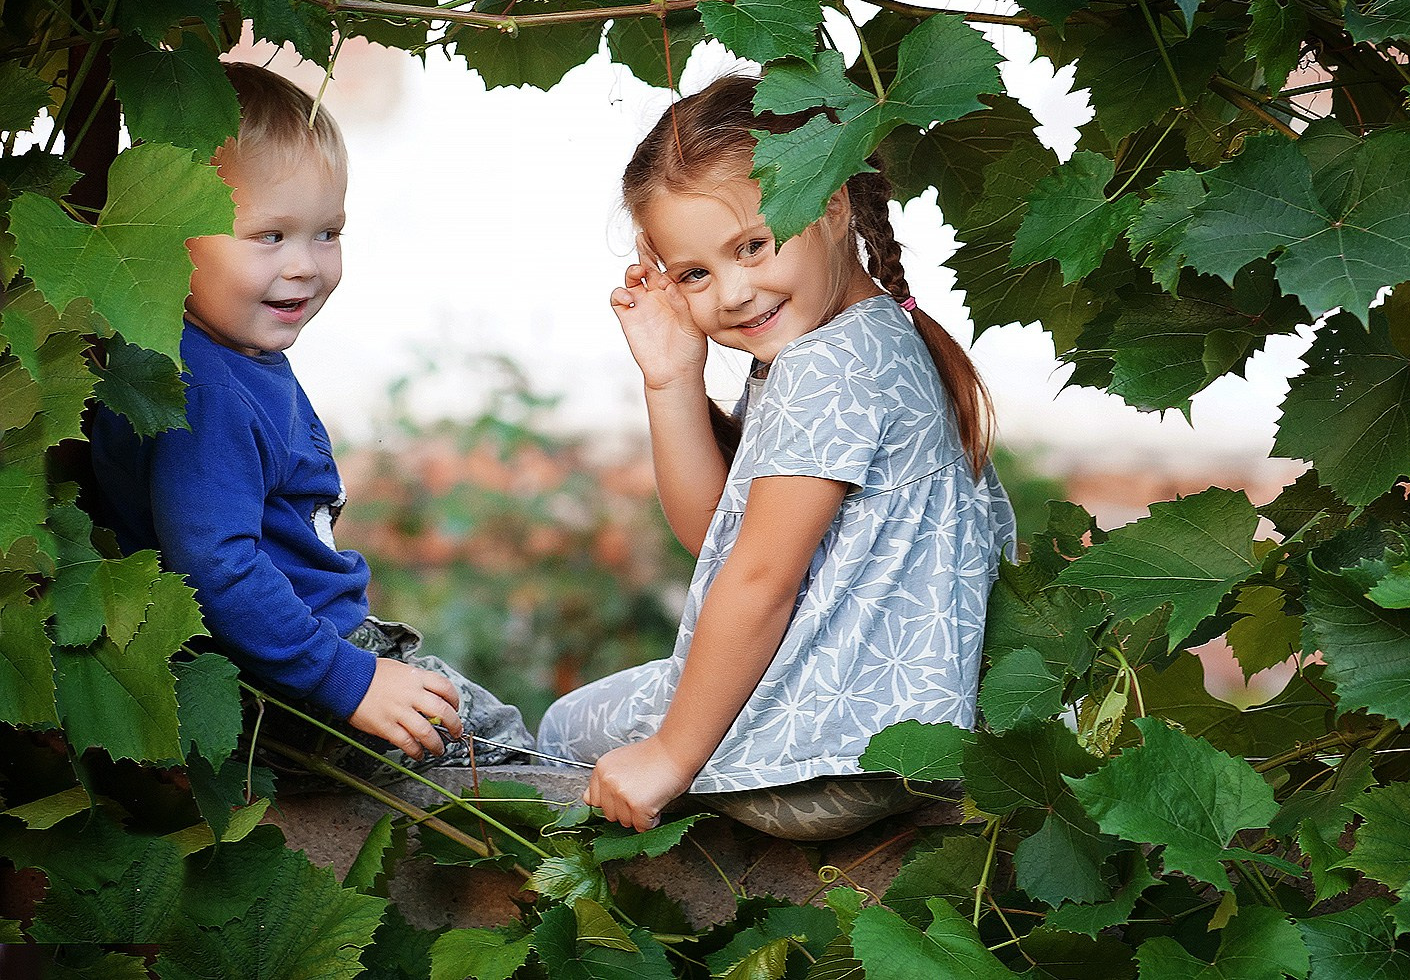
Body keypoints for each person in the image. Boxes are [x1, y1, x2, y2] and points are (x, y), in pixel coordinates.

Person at [537, 73, 1015, 840]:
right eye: (695, 273)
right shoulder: (859, 337)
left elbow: (760, 581)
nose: (732, 292)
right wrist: (670, 377)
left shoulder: (827, 368)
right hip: (882, 734)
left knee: (563, 732)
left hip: (819, 751)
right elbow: (715, 539)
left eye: (752, 246)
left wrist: (669, 756)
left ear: (831, 205)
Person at [90, 62, 534, 769]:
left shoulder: (223, 354)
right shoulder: (199, 386)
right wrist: (348, 680)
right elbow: (214, 564)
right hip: (292, 673)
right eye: (270, 236)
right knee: (494, 745)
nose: (305, 265)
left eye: (328, 233)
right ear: (168, 236)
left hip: (300, 654)